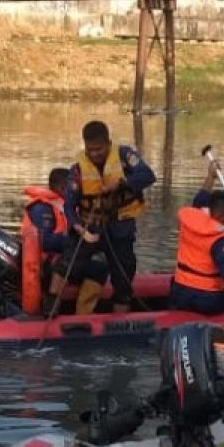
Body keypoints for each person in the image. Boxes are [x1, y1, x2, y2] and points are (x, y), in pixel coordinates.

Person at [63, 121, 157, 313]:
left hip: (121, 228)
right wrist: (78, 228)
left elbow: (148, 175)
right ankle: (51, 308)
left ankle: (119, 322)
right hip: (91, 229)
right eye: (90, 150)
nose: (94, 154)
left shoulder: (124, 155)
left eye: (98, 149)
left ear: (108, 143)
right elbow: (69, 206)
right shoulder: (78, 169)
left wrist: (122, 184)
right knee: (68, 264)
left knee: (123, 277)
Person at [24, 168, 109, 316]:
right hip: (46, 266)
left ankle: (81, 310)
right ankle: (68, 310)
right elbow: (45, 242)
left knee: (98, 260)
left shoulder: (67, 206)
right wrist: (74, 239)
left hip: (64, 258)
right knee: (97, 266)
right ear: (62, 188)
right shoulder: (42, 208)